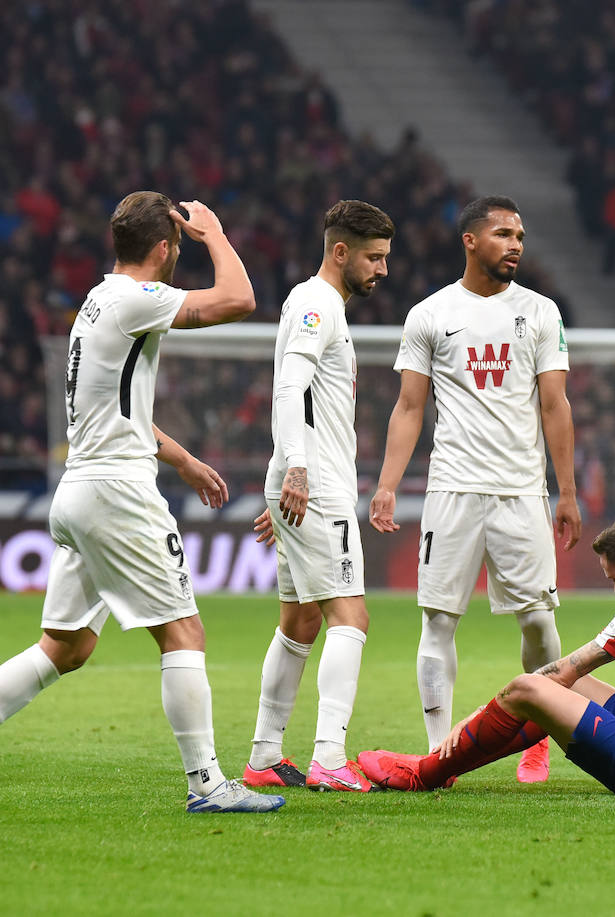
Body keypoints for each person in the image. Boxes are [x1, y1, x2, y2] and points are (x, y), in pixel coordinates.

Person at [0, 193, 283, 814]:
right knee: (183, 632)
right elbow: (239, 300)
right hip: (117, 493)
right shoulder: (138, 299)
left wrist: (186, 460)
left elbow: (119, 411)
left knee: (67, 646)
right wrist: (215, 234)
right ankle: (208, 786)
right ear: (165, 247)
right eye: (176, 246)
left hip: (80, 490)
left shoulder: (96, 301)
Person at [368, 195, 581, 784]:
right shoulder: (430, 314)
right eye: (503, 233)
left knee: (538, 623)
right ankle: (441, 753)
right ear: (470, 240)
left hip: (521, 490)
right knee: (437, 622)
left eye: (521, 235)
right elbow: (409, 407)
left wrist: (566, 491)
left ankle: (538, 734)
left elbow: (555, 404)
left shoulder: (540, 311)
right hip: (453, 489)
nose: (516, 244)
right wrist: (386, 485)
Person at [355, 514, 615, 797]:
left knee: (529, 687)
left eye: (614, 579)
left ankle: (429, 770)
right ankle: (452, 765)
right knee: (573, 688)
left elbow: (559, 673)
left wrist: (472, 717)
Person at [239, 201, 394, 794]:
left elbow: (298, 402)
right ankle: (330, 757)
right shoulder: (315, 304)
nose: (381, 270)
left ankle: (263, 755)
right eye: (374, 258)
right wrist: (297, 475)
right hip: (318, 485)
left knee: (300, 620)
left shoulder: (323, 306)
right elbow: (288, 387)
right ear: (340, 252)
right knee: (350, 617)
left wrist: (282, 481)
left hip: (302, 483)